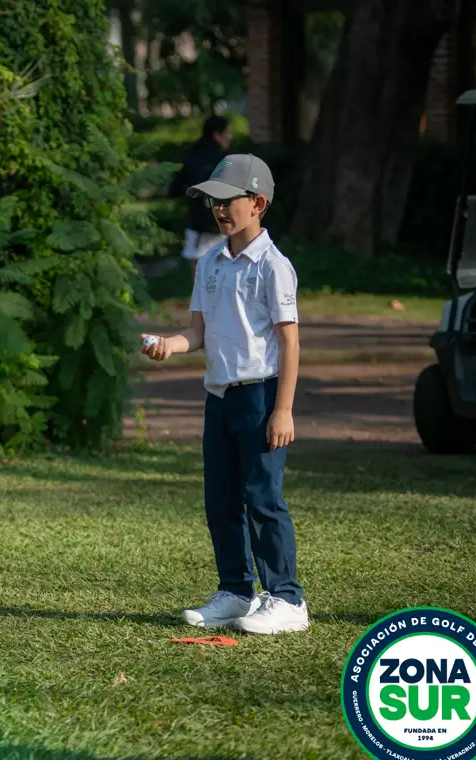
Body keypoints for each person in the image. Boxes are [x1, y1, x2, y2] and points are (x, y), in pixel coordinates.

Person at [141, 154, 309, 635]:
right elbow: (197, 332)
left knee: (262, 498)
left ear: (257, 203)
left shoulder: (274, 267)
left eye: (227, 200)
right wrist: (169, 345)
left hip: (261, 398)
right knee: (220, 499)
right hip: (219, 397)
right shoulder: (209, 263)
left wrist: (283, 409)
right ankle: (236, 591)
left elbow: (289, 341)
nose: (218, 210)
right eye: (213, 202)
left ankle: (287, 599)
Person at [169, 115, 233, 278]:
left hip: (199, 219)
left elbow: (176, 188)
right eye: (227, 132)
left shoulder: (192, 155)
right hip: (220, 218)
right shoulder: (223, 159)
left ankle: (202, 291)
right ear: (216, 134)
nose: (230, 136)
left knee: (199, 259)